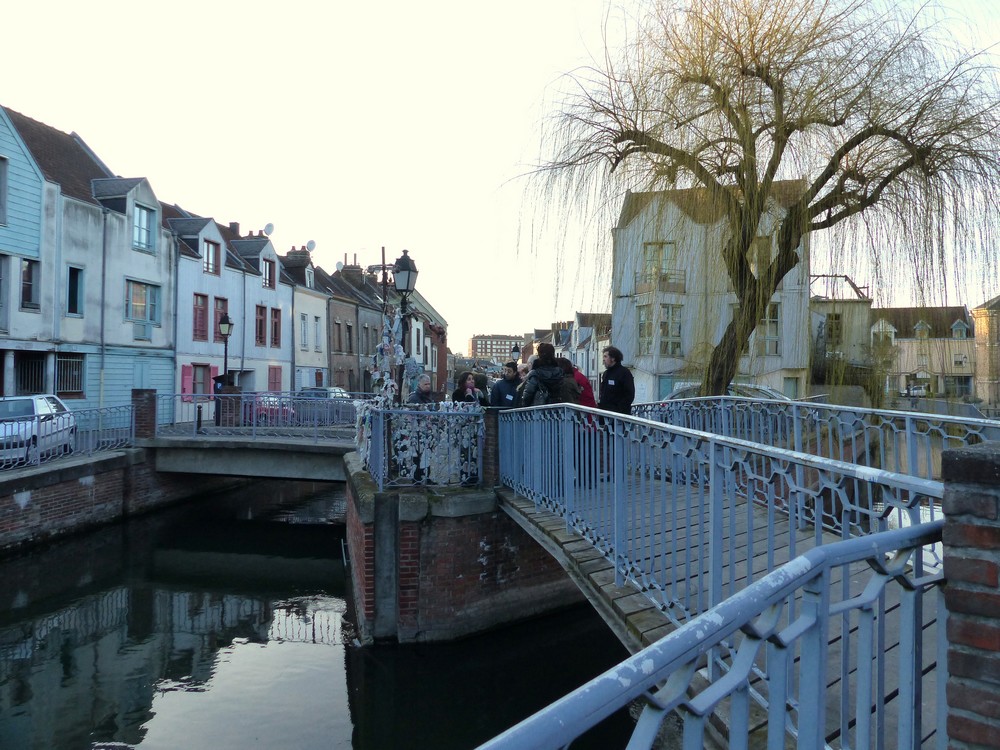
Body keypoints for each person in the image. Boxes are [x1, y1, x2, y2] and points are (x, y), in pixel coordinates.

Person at [598, 346, 635, 415]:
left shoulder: (624, 373)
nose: (603, 359)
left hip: (618, 417)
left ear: (613, 358)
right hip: (605, 415)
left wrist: (618, 410)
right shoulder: (606, 373)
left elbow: (629, 395)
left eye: (605, 357)